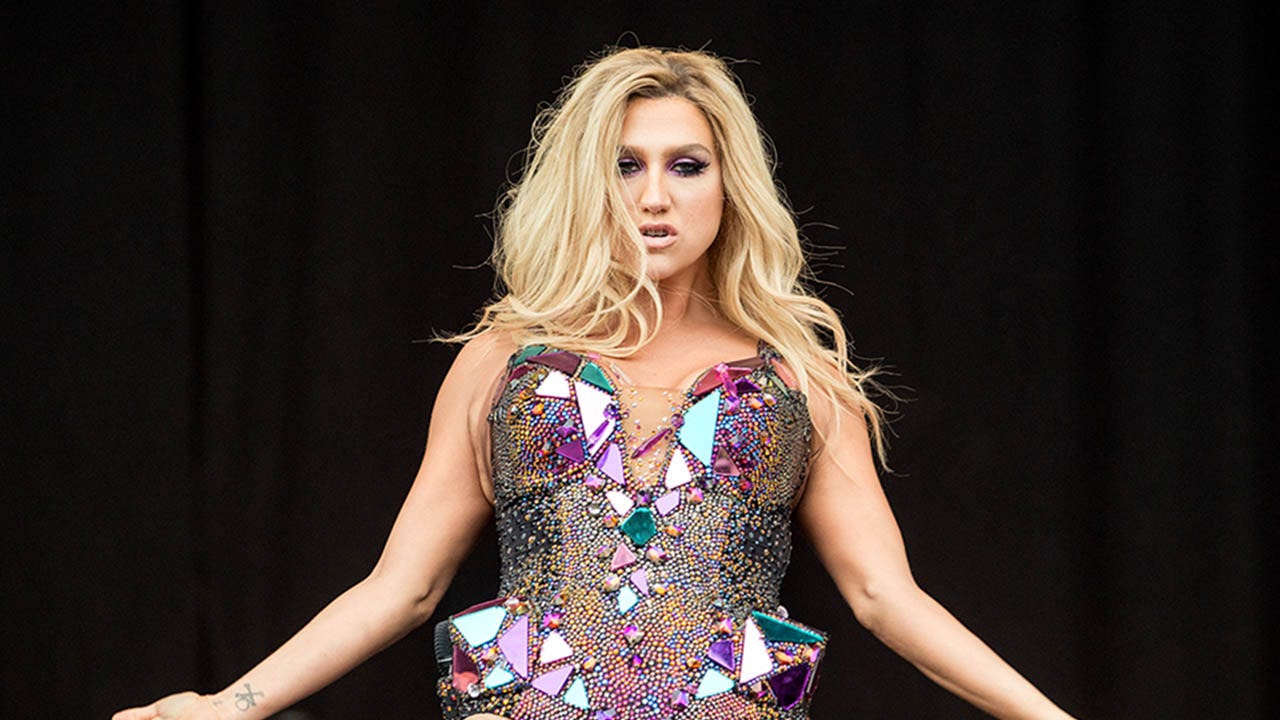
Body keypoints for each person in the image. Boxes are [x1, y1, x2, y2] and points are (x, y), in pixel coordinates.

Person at [114, 46, 1077, 720]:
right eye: (625, 167)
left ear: (729, 185)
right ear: (588, 183)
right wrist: (229, 707)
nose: (654, 197)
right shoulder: (504, 361)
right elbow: (401, 590)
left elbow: (883, 596)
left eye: (685, 166)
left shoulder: (800, 378)